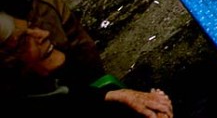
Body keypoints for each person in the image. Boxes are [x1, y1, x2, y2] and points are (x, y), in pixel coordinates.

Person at [1, 12, 174, 116]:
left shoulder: (43, 89)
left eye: (32, 27)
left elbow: (71, 100)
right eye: (24, 41)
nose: (44, 34)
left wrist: (118, 95)